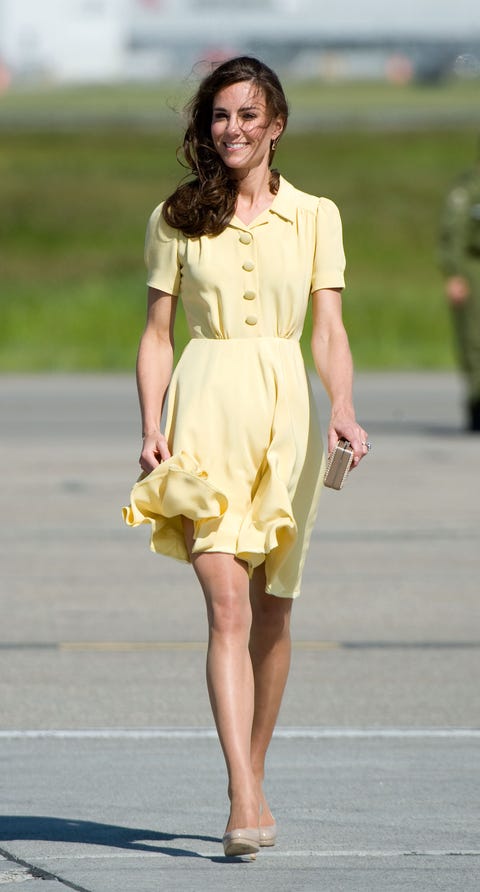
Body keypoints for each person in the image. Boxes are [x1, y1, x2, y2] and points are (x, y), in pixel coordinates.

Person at [123, 56, 369, 857]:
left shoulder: (317, 215)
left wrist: (345, 406)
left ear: (277, 125)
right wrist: (151, 422)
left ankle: (252, 776)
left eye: (247, 115)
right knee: (226, 607)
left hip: (287, 415)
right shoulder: (176, 216)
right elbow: (158, 335)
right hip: (203, 410)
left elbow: (327, 328)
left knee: (274, 609)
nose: (231, 129)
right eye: (220, 115)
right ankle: (242, 790)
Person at [438, 145, 480, 432]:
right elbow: (453, 231)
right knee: (474, 339)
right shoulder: (469, 188)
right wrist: (454, 273)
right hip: (473, 265)